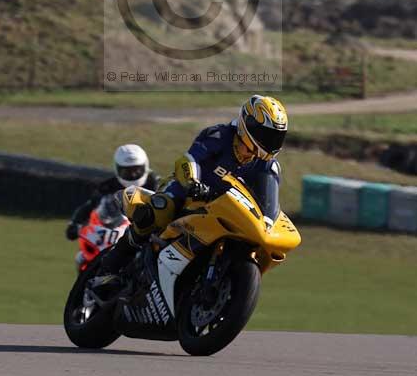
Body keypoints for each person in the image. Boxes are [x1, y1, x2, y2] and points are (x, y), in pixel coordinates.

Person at [97, 94, 288, 276]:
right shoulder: (219, 136)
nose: (271, 142)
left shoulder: (268, 166)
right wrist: (193, 183)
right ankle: (108, 269)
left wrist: (267, 223)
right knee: (155, 213)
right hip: (186, 192)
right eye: (266, 135)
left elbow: (268, 199)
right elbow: (189, 160)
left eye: (276, 137)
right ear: (249, 126)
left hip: (224, 211)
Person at [65, 143, 159, 241]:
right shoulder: (108, 186)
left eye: (137, 170)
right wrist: (75, 224)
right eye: (127, 171)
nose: (133, 174)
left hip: (148, 235)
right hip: (112, 236)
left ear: (145, 166)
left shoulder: (156, 185)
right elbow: (90, 205)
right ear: (117, 168)